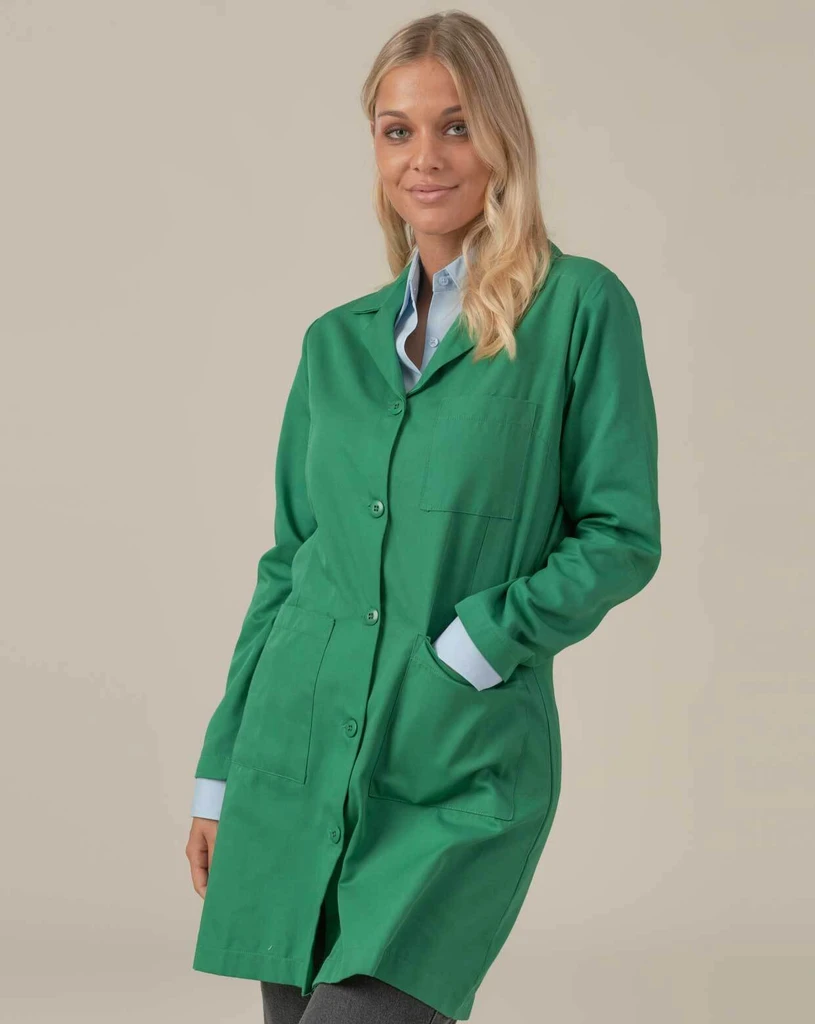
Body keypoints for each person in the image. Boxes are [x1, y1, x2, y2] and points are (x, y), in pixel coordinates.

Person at [185, 10, 661, 1024]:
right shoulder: (334, 344)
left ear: (500, 138)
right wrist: (221, 771)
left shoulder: (577, 309)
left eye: (455, 126)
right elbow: (291, 563)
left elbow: (619, 534)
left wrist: (478, 644)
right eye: (397, 130)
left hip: (455, 761)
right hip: (296, 758)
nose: (425, 158)